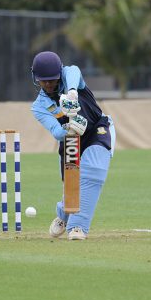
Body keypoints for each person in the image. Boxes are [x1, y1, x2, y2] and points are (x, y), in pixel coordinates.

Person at [30, 51, 115, 240]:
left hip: (96, 130)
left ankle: (77, 227)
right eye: (44, 81)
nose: (49, 84)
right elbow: (55, 131)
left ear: (59, 73)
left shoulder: (71, 78)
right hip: (70, 139)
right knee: (73, 186)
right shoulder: (39, 106)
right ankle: (64, 213)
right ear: (36, 78)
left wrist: (72, 92)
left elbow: (74, 71)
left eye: (52, 79)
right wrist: (69, 127)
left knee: (94, 170)